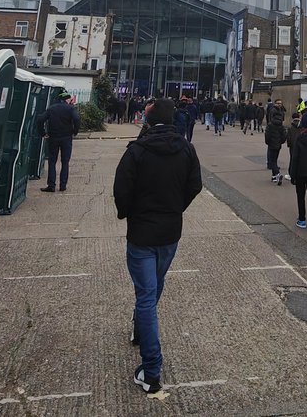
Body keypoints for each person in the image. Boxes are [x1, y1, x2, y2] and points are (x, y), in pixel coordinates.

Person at [113, 98, 203, 395]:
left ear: (148, 120)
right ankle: (140, 330)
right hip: (169, 232)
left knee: (147, 296)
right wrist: (176, 207)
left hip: (142, 233)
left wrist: (129, 212)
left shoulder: (137, 151)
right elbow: (195, 185)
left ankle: (151, 371)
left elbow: (121, 190)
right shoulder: (186, 149)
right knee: (154, 286)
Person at [36, 90, 80, 192]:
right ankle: (63, 185)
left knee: (52, 161)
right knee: (65, 162)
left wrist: (43, 133)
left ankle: (51, 185)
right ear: (67, 99)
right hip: (66, 138)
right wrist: (75, 131)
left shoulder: (52, 108)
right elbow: (77, 119)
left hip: (53, 137)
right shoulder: (70, 108)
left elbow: (40, 119)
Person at [264, 106, 287, 185]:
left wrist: (267, 142)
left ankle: (278, 174)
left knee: (271, 161)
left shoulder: (270, 125)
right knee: (275, 159)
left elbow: (267, 135)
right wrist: (281, 141)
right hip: (278, 145)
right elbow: (284, 135)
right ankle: (274, 176)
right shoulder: (281, 125)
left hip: (271, 144)